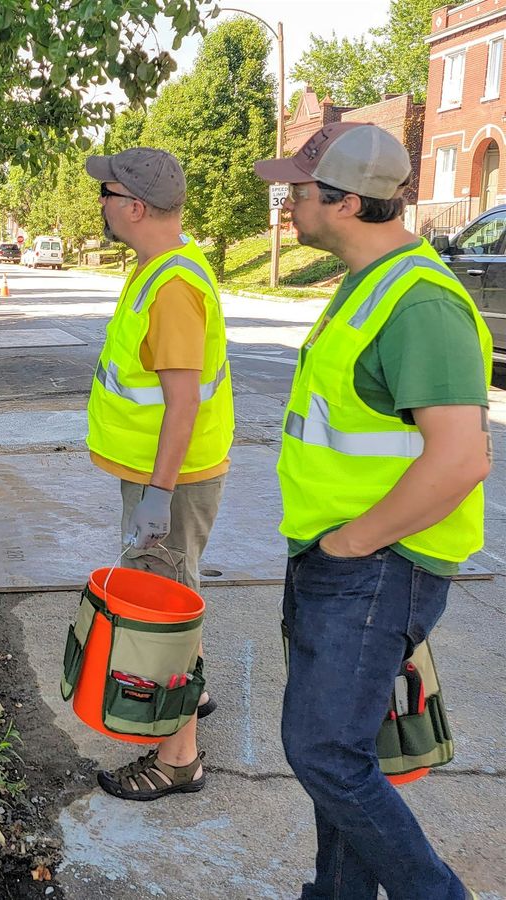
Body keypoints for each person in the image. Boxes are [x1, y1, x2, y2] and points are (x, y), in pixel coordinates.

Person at [256, 123, 490, 898]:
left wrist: (351, 545)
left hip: (377, 564)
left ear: (347, 202)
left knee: (323, 751)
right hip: (339, 557)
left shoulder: (420, 305)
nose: (287, 200)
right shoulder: (365, 283)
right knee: (344, 755)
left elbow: (460, 459)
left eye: (298, 188)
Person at [83, 148, 234, 801]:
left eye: (105, 195)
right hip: (161, 476)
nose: (103, 206)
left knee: (162, 610)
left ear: (135, 207)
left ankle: (178, 760)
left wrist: (158, 497)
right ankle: (187, 704)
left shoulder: (172, 288)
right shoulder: (159, 270)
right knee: (174, 592)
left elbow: (182, 403)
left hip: (170, 481)